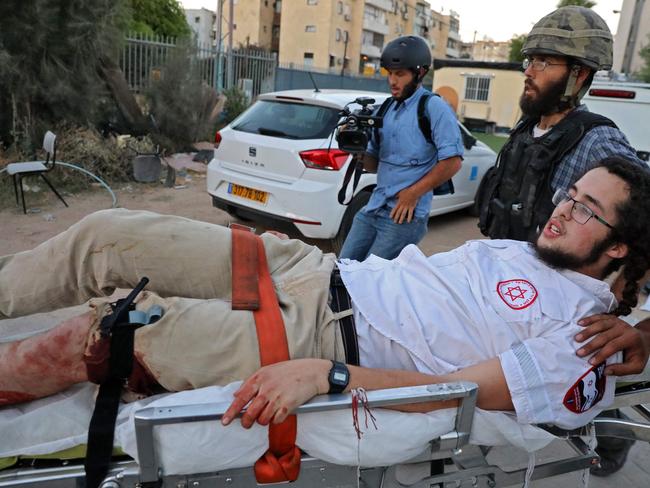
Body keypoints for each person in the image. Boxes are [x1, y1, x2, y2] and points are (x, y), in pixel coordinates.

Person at [1, 159, 648, 438]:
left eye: (587, 210)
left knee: (111, 332)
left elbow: (458, 392)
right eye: (569, 195)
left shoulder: (582, 340)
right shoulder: (520, 250)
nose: (562, 213)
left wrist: (328, 375)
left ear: (621, 247)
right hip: (314, 270)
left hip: (323, 339)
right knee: (106, 238)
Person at [475, 6, 650, 474]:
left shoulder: (597, 144)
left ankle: (610, 445)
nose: (528, 70)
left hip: (560, 315)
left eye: (544, 61)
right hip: (509, 297)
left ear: (579, 75)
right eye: (529, 58)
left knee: (591, 384)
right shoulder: (527, 131)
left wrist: (635, 324)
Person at [339, 35, 463, 261]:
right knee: (343, 269)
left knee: (374, 279)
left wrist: (412, 194)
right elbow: (374, 165)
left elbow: (453, 161)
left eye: (400, 74)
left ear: (420, 73)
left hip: (404, 215)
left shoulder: (433, 108)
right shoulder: (386, 108)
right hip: (374, 206)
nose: (393, 81)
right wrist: (356, 149)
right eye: (390, 73)